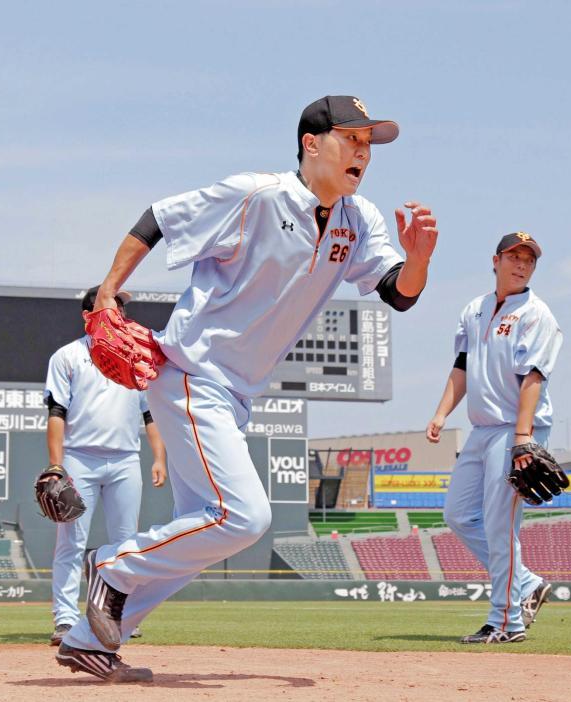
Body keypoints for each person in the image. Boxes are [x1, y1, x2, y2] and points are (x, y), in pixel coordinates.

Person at [54, 95, 438, 682]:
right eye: (352, 137)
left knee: (200, 534)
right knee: (244, 517)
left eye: (370, 142)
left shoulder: (359, 220)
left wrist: (419, 260)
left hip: (234, 394)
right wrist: (108, 290)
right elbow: (159, 217)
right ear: (312, 143)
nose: (363, 150)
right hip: (191, 372)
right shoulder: (257, 195)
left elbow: (397, 291)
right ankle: (111, 565)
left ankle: (92, 641)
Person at [426, 231, 562, 644]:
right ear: (495, 260)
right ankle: (526, 583)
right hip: (482, 428)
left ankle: (506, 623)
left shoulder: (537, 314)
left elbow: (533, 378)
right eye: (514, 256)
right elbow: (462, 366)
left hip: (514, 429)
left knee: (500, 526)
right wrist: (441, 411)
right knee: (458, 514)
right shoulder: (475, 309)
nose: (521, 264)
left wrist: (524, 437)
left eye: (529, 260)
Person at [44, 286, 167, 647]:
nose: (122, 313)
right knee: (70, 542)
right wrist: (56, 465)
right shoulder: (67, 356)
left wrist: (158, 456)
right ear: (91, 314)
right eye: (115, 306)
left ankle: (120, 617)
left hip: (126, 460)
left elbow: (149, 414)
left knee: (126, 544)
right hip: (80, 459)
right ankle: (66, 621)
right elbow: (56, 413)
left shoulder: (134, 357)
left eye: (122, 308)